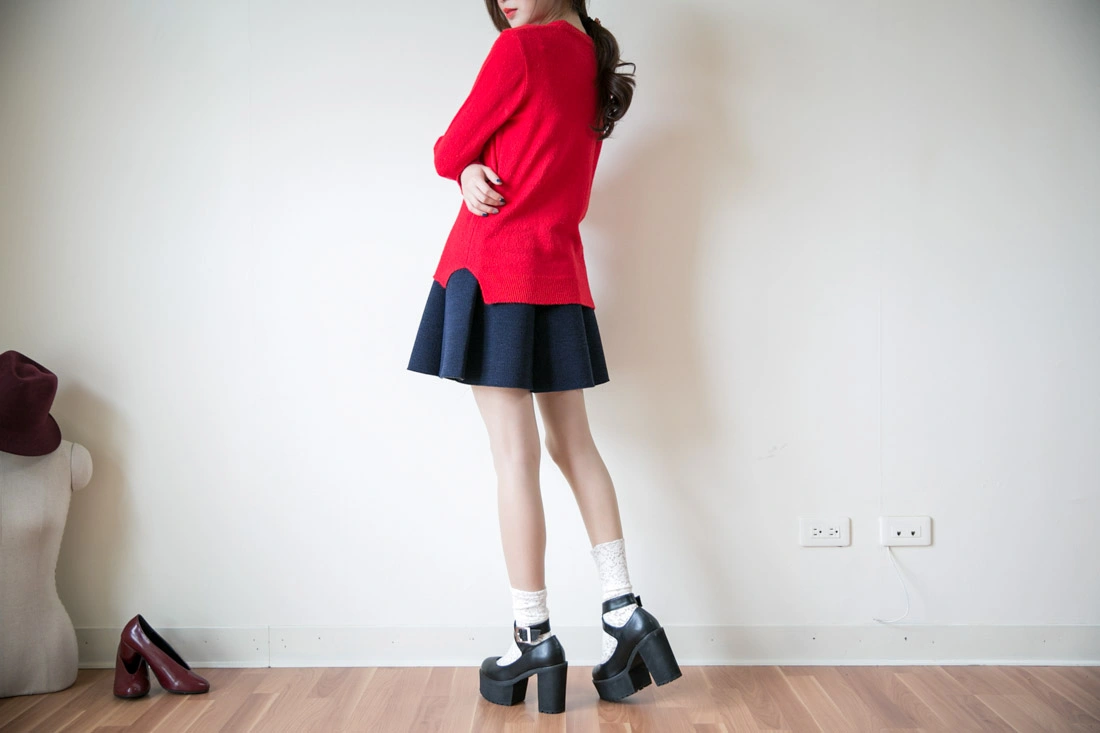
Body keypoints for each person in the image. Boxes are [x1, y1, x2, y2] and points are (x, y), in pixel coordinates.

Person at [407, 0, 680, 712]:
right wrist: (475, 166)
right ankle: (624, 610)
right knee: (575, 446)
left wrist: (465, 166)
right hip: (559, 274)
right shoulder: (591, 57)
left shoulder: (520, 50)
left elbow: (446, 150)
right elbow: (533, 159)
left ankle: (533, 634)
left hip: (495, 270)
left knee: (513, 456)